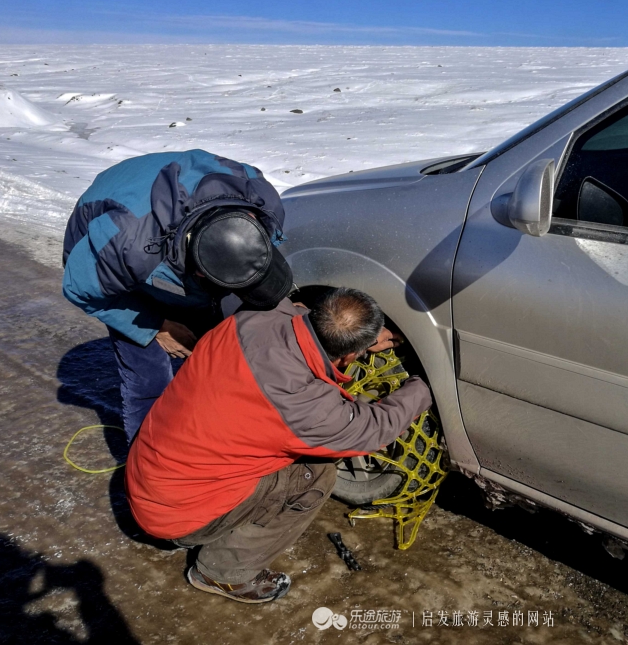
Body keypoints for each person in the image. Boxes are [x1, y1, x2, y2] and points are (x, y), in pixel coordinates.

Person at [124, 287, 430, 604]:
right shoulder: (310, 409)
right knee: (316, 476)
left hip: (149, 473)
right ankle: (221, 574)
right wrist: (425, 385)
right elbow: (376, 428)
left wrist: (362, 335)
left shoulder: (253, 317)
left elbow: (292, 307)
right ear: (351, 356)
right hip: (177, 516)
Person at [61, 149, 292, 441]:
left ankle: (208, 431)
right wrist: (158, 327)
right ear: (197, 273)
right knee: (150, 377)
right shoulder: (124, 245)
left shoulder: (264, 201)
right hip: (106, 250)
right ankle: (149, 470)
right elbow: (80, 288)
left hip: (174, 223)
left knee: (212, 348)